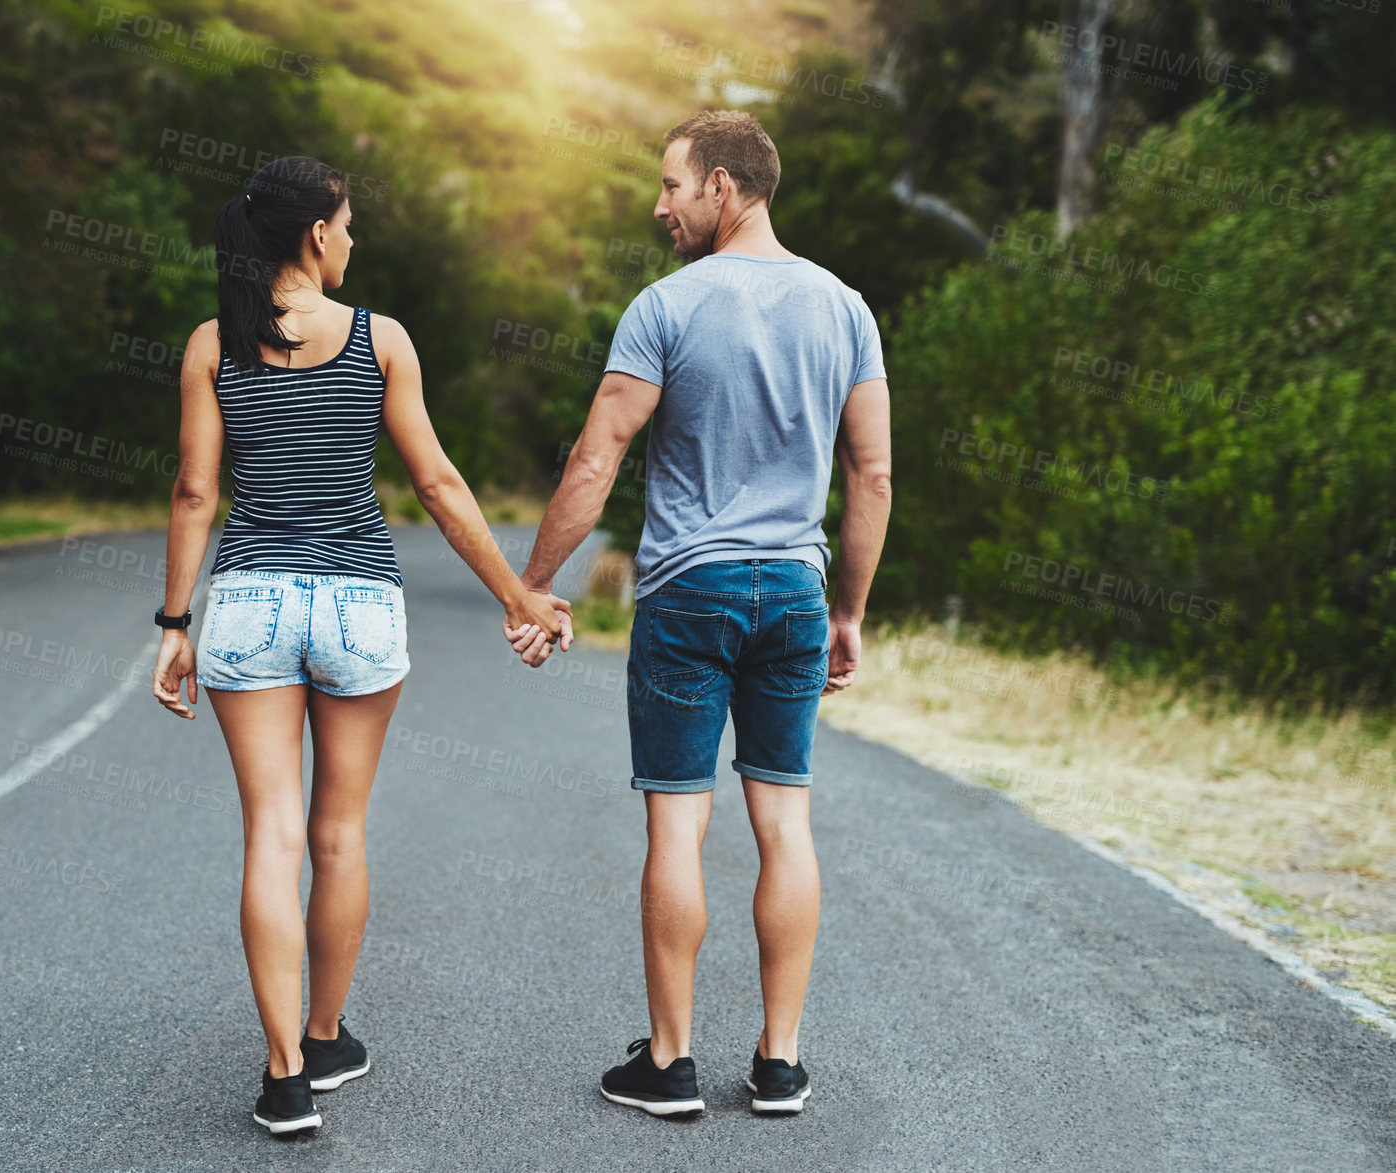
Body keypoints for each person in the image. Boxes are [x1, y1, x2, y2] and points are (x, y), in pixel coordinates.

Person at [151, 156, 569, 1136]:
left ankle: (285, 1074)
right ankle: (327, 1036)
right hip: (358, 606)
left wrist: (174, 624)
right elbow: (438, 485)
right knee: (338, 836)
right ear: (312, 235)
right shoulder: (381, 340)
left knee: (272, 836)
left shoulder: (213, 344)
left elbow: (194, 494)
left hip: (249, 602)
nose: (353, 239)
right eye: (346, 224)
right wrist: (520, 596)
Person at [505, 110, 893, 1117]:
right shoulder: (846, 307)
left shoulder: (665, 307)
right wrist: (846, 610)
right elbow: (874, 475)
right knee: (783, 821)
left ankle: (670, 1063)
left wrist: (535, 584)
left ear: (725, 187)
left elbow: (598, 458)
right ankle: (779, 1062)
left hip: (688, 593)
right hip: (794, 592)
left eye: (672, 185)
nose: (659, 203)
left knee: (677, 826)